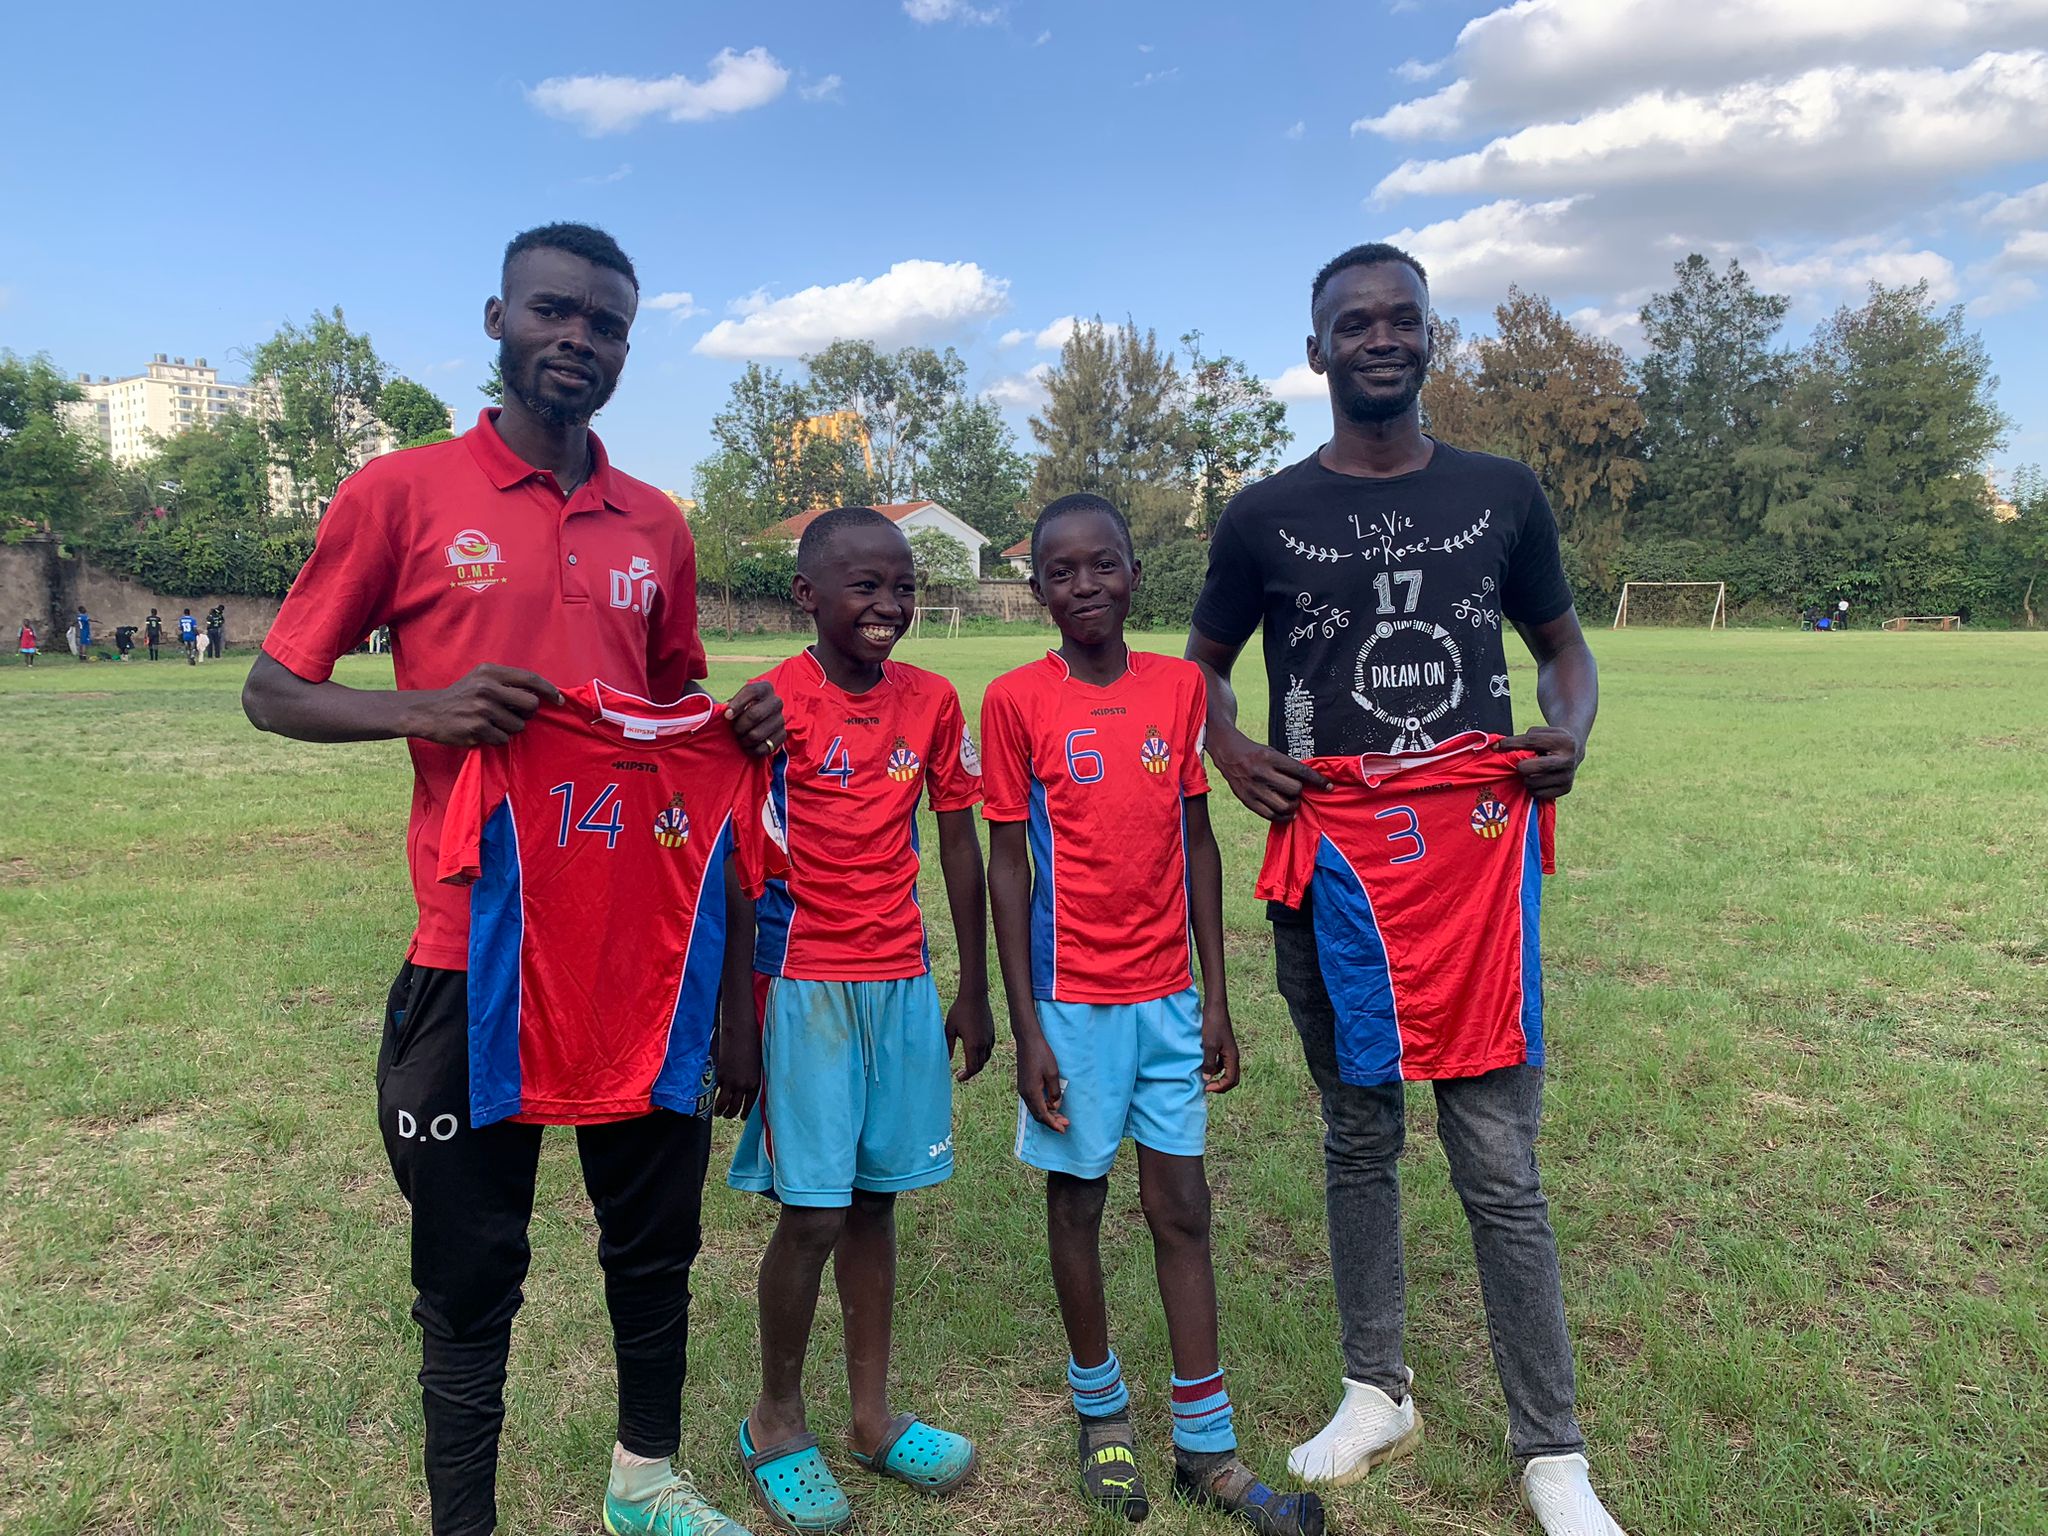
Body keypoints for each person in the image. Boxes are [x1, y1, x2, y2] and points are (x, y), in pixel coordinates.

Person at [242, 222, 783, 1536]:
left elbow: (676, 723)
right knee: (469, 1270)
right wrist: (422, 710)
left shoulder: (657, 523)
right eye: (553, 311)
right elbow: (273, 689)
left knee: (654, 1244)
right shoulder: (401, 494)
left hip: (636, 954)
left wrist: (744, 726)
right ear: (498, 320)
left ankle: (645, 1481)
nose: (577, 339)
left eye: (606, 324)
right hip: (473, 948)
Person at [1185, 243, 1621, 1536]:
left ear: (1432, 336)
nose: (1379, 337)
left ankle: (1553, 1453)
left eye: (1401, 319)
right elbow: (1200, 667)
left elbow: (1564, 652)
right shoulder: (1262, 516)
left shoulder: (1501, 492)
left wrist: (1569, 731)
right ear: (1315, 349)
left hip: (1474, 867)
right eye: (1352, 322)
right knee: (1357, 1136)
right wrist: (1228, 747)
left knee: (1497, 1161)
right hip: (1330, 866)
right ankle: (1376, 1389)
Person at [983, 493, 1324, 1536]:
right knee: (1077, 1204)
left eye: (1103, 565)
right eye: (1060, 572)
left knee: (1182, 1209)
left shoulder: (1179, 690)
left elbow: (1197, 841)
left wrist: (1215, 994)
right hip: (1071, 1006)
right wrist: (1028, 1028)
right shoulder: (1014, 700)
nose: (1083, 585)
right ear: (1037, 588)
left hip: (1168, 1000)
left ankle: (1204, 1447)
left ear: (1134, 572)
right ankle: (1101, 1417)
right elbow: (1007, 866)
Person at [724, 507, 992, 1536]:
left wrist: (971, 987)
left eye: (903, 587)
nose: (889, 605)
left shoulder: (933, 702)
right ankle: (775, 1419)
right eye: (865, 586)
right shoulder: (768, 707)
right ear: (807, 595)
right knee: (813, 1212)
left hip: (901, 981)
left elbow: (958, 841)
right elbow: (734, 868)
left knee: (877, 1201)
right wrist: (735, 1022)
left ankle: (873, 1418)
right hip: (803, 985)